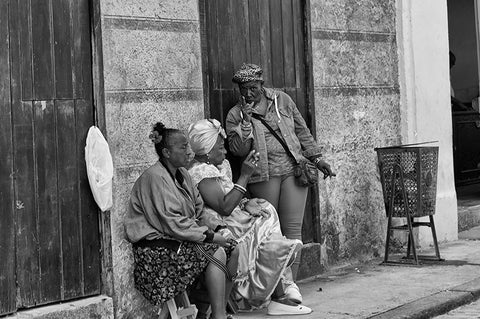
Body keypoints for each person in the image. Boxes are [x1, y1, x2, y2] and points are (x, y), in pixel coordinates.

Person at [187, 118, 312, 316]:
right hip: (221, 224)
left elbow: (231, 195)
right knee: (263, 221)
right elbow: (224, 206)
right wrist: (245, 175)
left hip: (233, 216)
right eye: (221, 148)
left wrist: (246, 203)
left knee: (264, 208)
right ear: (208, 151)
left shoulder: (220, 165)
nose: (225, 151)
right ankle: (279, 292)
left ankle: (280, 289)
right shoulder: (200, 172)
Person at [225, 63, 335, 281]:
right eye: (243, 89)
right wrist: (246, 123)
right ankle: (271, 287)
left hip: (294, 171)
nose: (248, 93)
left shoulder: (282, 100)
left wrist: (318, 158)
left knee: (293, 232)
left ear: (261, 84)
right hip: (262, 176)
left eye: (253, 88)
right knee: (270, 233)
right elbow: (238, 151)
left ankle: (290, 285)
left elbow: (302, 131)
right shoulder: (235, 114)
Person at [124, 122, 238, 319]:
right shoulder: (154, 178)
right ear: (167, 152)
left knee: (234, 249)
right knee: (217, 252)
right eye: (183, 147)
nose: (189, 152)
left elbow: (199, 211)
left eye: (188, 146)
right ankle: (219, 316)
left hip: (179, 240)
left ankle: (206, 311)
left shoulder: (183, 174)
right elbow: (173, 223)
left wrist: (218, 229)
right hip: (156, 250)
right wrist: (210, 237)